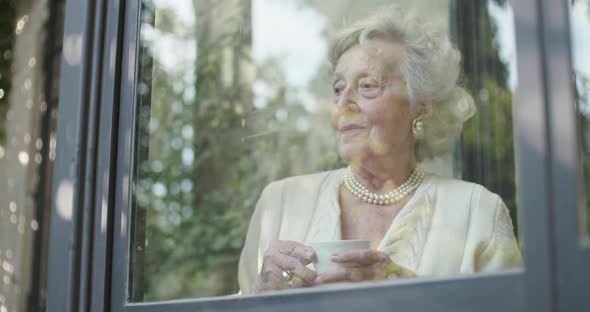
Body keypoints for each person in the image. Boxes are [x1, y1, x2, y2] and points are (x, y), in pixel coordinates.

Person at [238, 7, 522, 294]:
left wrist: (414, 298)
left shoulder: (479, 212)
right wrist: (257, 299)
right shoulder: (279, 204)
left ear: (420, 105)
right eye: (338, 88)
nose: (343, 103)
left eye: (367, 86)